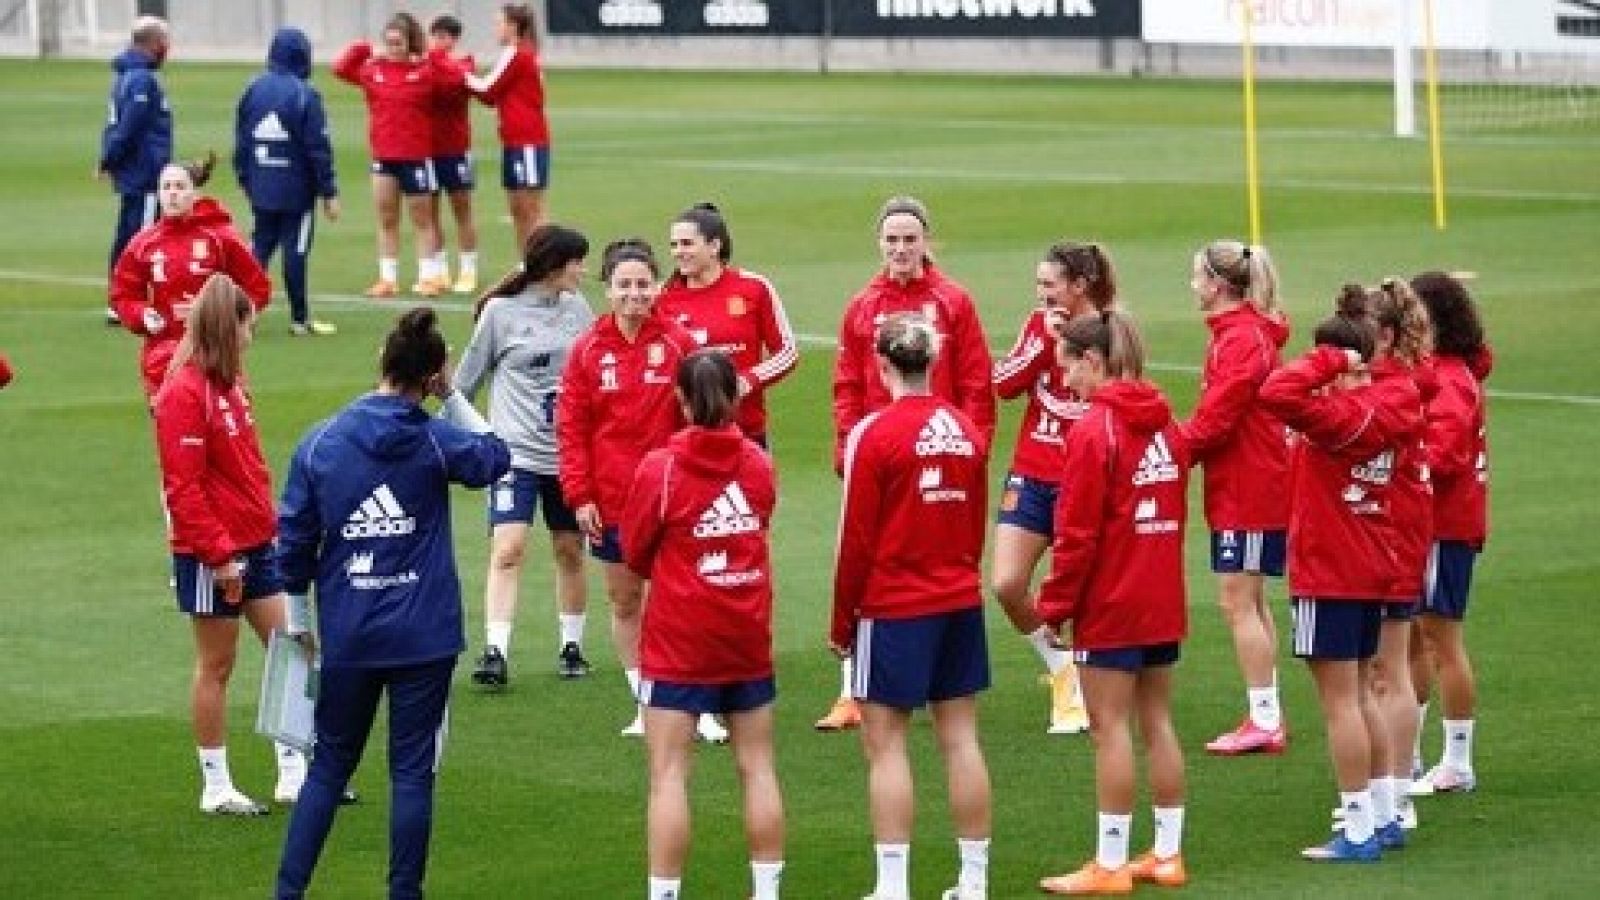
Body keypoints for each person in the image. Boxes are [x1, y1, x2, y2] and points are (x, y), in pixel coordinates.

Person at [274, 308, 512, 899]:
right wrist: (453, 395)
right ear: (430, 375)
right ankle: (404, 893)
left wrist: (301, 623)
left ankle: (288, 891)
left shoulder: (321, 442)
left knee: (328, 767)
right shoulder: (434, 439)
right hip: (424, 635)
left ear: (382, 363)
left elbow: (294, 545)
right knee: (412, 774)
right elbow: (495, 456)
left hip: (350, 631)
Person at [832, 312, 992, 900]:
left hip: (893, 605)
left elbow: (856, 540)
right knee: (961, 739)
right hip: (957, 597)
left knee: (886, 745)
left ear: (881, 365)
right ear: (934, 362)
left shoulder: (872, 434)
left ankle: (893, 886)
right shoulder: (966, 431)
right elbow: (975, 526)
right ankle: (973, 881)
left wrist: (841, 620)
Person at [1258, 295, 1424, 862]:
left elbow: (1275, 392)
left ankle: (1355, 829)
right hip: (1372, 564)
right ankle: (1383, 815)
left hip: (1329, 570)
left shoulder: (1335, 418)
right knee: (1363, 694)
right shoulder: (1390, 403)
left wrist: (1328, 362)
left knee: (1341, 704)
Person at [822, 194, 996, 734]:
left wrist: (975, 445)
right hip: (882, 455)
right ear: (879, 242)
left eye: (909, 239)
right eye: (891, 239)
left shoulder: (953, 302)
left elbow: (975, 380)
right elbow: (847, 382)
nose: (900, 248)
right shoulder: (862, 306)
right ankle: (852, 687)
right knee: (864, 556)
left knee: (927, 562)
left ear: (926, 241)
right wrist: (847, 447)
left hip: (940, 450)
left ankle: (910, 680)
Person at [1033, 309, 1192, 896]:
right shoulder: (1168, 424)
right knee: (1157, 723)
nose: (1065, 380)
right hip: (1160, 594)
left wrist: (1052, 609)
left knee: (1109, 730)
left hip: (1113, 601)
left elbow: (1076, 537)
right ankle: (1168, 854)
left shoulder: (1093, 431)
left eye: (1068, 367)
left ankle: (1110, 863)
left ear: (1093, 361)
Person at [622, 351, 785, 900]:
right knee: (758, 768)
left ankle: (664, 894)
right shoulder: (758, 463)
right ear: (737, 397)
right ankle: (766, 892)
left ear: (682, 400)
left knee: (669, 775)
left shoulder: (660, 468)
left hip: (680, 638)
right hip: (745, 632)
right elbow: (759, 520)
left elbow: (636, 551)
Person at [151, 273, 303, 816]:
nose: (252, 337)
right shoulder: (184, 393)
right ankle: (215, 786)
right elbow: (183, 487)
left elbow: (247, 469)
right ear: (228, 326)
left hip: (259, 542)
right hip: (213, 553)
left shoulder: (231, 383)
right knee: (217, 664)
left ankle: (293, 772)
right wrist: (217, 557)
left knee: (294, 648)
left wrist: (276, 524)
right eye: (249, 327)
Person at [557, 239, 720, 740]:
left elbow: (704, 418)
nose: (634, 294)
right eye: (624, 285)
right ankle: (647, 701)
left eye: (643, 284)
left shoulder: (679, 344)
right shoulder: (587, 349)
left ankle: (701, 708)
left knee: (685, 602)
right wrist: (580, 495)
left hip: (673, 499)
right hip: (610, 502)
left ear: (657, 286)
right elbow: (571, 429)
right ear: (607, 289)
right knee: (626, 602)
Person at [454, 224, 594, 688]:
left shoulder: (578, 310)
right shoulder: (499, 313)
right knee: (508, 548)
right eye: (577, 261)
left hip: (569, 455)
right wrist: (484, 439)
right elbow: (463, 385)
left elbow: (597, 372)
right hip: (515, 455)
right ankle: (495, 651)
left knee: (570, 549)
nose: (583, 271)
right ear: (555, 265)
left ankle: (571, 645)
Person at [991, 241, 1116, 737]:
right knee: (1006, 584)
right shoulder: (1036, 326)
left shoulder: (1111, 329)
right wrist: (1045, 342)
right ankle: (1059, 665)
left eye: (1049, 284)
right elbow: (1002, 385)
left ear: (1079, 286)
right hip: (1031, 471)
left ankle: (1084, 686)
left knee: (1084, 592)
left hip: (1086, 477)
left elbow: (1125, 395)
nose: (1040, 293)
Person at [1176, 239, 1294, 757]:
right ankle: (1266, 711)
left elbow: (1218, 417)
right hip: (1247, 480)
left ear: (1218, 284)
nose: (1192, 285)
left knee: (1236, 600)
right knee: (1251, 599)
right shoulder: (1238, 334)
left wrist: (1163, 455)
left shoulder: (1242, 339)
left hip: (1249, 485)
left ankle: (1265, 719)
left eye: (1197, 276)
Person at [1408, 271, 1492, 796]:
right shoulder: (1442, 371)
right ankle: (1409, 752)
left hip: (1446, 526)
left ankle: (1458, 761)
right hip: (1428, 525)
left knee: (1443, 641)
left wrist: (1394, 456)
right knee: (1415, 639)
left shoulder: (1451, 380)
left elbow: (1444, 455)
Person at [111, 154, 271, 401]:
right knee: (177, 434)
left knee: (230, 431)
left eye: (180, 186)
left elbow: (257, 288)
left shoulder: (220, 237)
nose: (172, 193)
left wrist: (224, 317)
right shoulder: (143, 244)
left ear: (194, 192)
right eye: (166, 187)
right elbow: (123, 294)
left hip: (217, 354)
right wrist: (142, 314)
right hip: (163, 357)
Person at [332, 13, 460, 299]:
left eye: (398, 42)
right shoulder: (373, 70)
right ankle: (387, 278)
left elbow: (455, 80)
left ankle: (429, 276)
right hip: (384, 157)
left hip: (416, 157)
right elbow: (340, 69)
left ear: (409, 41)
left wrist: (431, 54)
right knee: (387, 219)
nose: (392, 47)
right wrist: (362, 48)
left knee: (422, 219)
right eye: (388, 41)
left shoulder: (426, 72)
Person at [656, 202, 799, 445]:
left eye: (687, 243)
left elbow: (787, 352)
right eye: (674, 244)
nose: (678, 252)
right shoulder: (661, 297)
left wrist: (746, 382)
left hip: (746, 434)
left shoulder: (753, 288)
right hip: (685, 437)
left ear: (714, 245)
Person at [234, 26, 341, 337]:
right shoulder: (305, 94)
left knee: (260, 247)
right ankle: (299, 317)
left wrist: (244, 175)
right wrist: (329, 191)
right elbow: (317, 147)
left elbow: (242, 139)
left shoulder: (252, 89)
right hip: (296, 188)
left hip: (261, 184)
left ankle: (241, 314)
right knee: (295, 249)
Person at [98, 15, 173, 325]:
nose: (168, 50)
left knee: (128, 235)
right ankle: (130, 303)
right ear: (154, 44)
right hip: (144, 174)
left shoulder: (127, 75)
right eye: (165, 43)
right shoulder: (141, 79)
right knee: (142, 239)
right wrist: (109, 159)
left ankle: (120, 300)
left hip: (136, 171)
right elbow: (131, 126)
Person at [466, 4, 552, 251]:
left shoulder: (516, 54)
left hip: (527, 141)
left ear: (512, 26)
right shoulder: (524, 54)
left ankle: (544, 267)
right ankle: (528, 267)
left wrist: (457, 72)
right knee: (521, 210)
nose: (496, 29)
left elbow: (487, 90)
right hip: (518, 140)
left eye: (499, 23)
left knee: (531, 211)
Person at [425, 14, 479, 295]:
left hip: (456, 149)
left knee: (462, 211)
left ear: (454, 40)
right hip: (427, 149)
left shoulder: (463, 64)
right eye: (435, 37)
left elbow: (454, 79)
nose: (438, 43)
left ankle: (468, 268)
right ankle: (439, 270)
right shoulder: (428, 64)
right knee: (430, 213)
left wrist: (433, 57)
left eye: (445, 37)